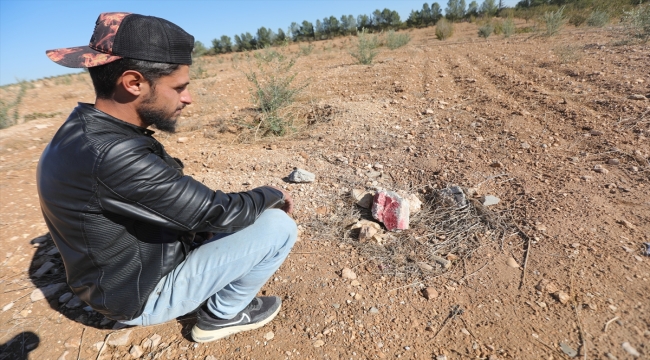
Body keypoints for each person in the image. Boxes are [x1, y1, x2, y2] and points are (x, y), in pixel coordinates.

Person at [37, 12, 297, 343]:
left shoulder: (84, 129)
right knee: (278, 226)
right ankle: (222, 316)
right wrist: (271, 193)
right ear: (133, 83)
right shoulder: (112, 153)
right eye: (179, 88)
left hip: (114, 280)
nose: (187, 98)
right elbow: (216, 212)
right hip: (136, 297)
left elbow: (176, 204)